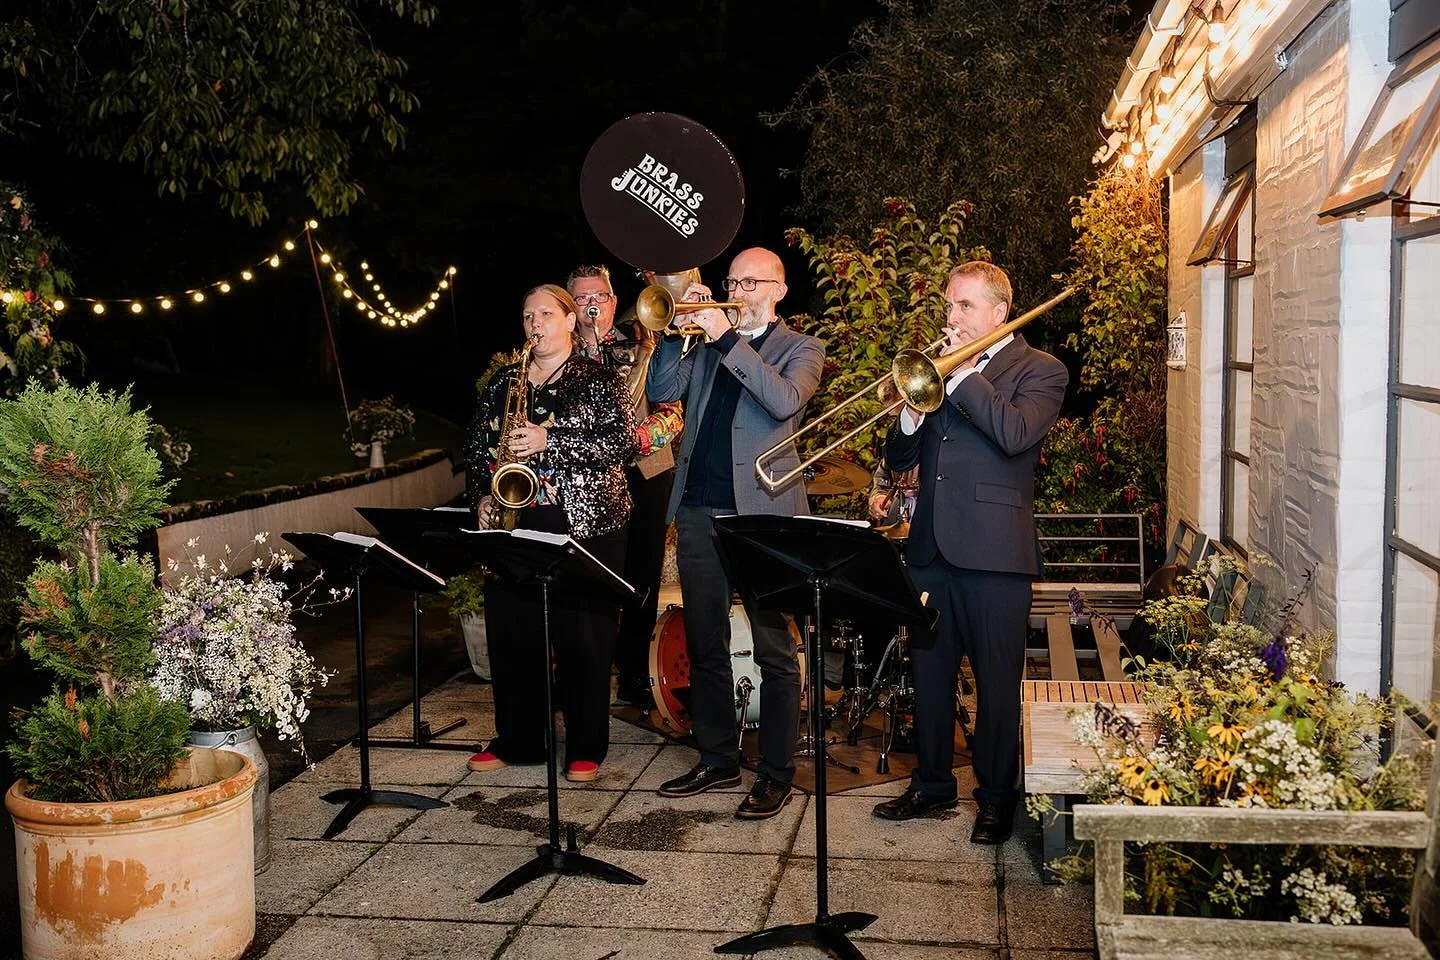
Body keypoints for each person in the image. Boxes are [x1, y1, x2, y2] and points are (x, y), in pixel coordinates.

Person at [872, 260, 1067, 844]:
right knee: (928, 673)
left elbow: (1013, 434)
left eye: (964, 307)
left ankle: (996, 797)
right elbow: (901, 462)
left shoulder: (1041, 370)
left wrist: (957, 379)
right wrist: (909, 414)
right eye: (949, 306)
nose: (951, 318)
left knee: (996, 682)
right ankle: (932, 784)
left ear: (998, 313)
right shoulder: (936, 372)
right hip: (931, 548)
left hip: (995, 555)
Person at [645, 246, 826, 820]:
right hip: (698, 507)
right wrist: (679, 332)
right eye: (733, 280)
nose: (740, 290)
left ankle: (774, 772)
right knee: (704, 643)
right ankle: (718, 757)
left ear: (778, 290)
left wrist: (727, 338)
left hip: (762, 511)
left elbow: (782, 402)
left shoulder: (802, 347)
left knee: (775, 648)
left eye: (752, 282)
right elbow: (662, 390)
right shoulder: (705, 341)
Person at [463, 283, 638, 783]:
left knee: (583, 634)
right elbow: (478, 445)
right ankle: (519, 738)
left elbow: (623, 442)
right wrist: (480, 493)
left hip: (582, 521)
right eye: (526, 315)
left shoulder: (597, 376)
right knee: (512, 632)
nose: (534, 322)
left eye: (544, 313)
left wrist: (550, 439)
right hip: (514, 516)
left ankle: (586, 745)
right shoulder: (504, 382)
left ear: (568, 321)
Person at [565, 264, 684, 707]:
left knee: (642, 574)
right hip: (585, 477)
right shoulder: (561, 352)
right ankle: (581, 675)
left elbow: (673, 411)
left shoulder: (648, 340)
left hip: (647, 470)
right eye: (580, 297)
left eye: (600, 295)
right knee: (583, 574)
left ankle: (635, 672)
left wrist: (636, 438)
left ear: (615, 301)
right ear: (569, 305)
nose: (592, 303)